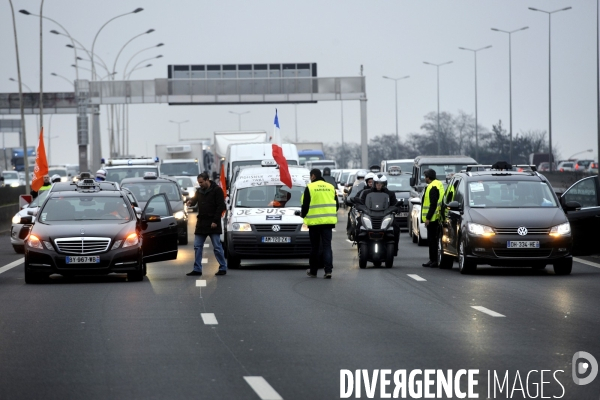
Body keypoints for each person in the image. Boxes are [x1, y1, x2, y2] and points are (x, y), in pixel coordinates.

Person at [186, 172, 227, 276]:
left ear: (207, 180)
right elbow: (194, 201)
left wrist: (215, 221)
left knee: (217, 247)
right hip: (202, 223)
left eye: (201, 182)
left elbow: (220, 207)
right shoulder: (199, 191)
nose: (200, 184)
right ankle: (197, 269)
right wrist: (190, 202)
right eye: (199, 183)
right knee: (197, 246)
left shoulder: (217, 190)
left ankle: (223, 267)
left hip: (213, 223)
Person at [301, 168, 338, 279]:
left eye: (310, 176)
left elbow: (305, 205)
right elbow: (337, 206)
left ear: (313, 176)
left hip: (314, 223)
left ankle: (313, 271)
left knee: (315, 247)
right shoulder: (331, 187)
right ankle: (328, 271)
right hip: (327, 223)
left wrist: (302, 215)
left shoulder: (310, 187)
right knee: (327, 246)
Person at [359, 174, 400, 254]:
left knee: (396, 228)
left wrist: (397, 209)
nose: (379, 185)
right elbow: (361, 203)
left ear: (384, 184)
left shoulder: (390, 194)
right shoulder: (366, 193)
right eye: (377, 183)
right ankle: (360, 248)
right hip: (370, 216)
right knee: (358, 226)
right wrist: (359, 207)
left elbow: (394, 204)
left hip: (385, 216)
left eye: (381, 184)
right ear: (374, 183)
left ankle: (394, 249)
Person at [421, 169, 445, 268]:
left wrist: (428, 218)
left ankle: (434, 260)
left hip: (433, 219)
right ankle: (432, 260)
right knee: (432, 240)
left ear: (428, 177)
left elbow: (433, 204)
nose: (424, 178)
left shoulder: (432, 187)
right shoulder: (437, 184)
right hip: (436, 217)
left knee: (432, 240)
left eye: (425, 176)